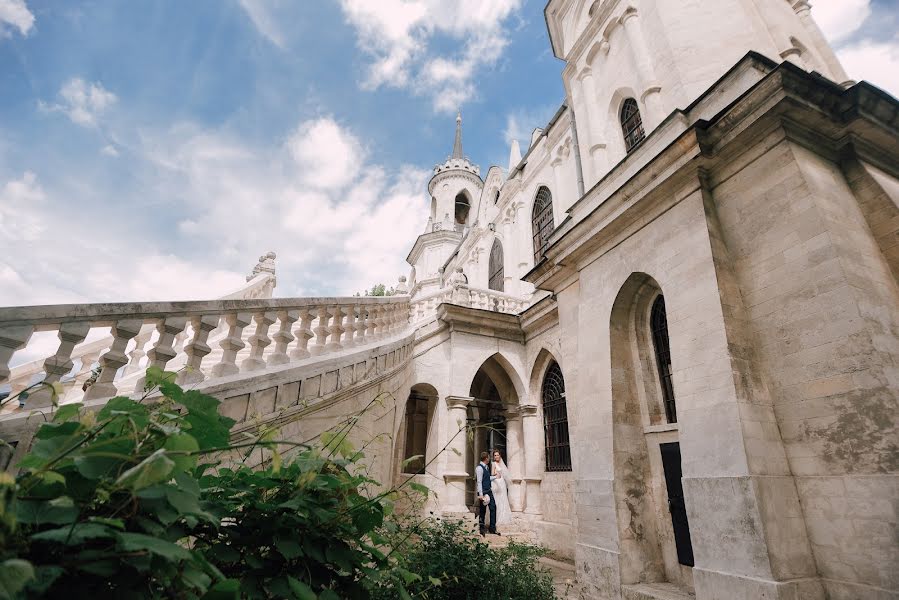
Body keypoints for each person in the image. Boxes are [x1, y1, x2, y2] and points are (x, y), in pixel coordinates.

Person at [475, 451, 500, 536]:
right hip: (483, 492)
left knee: (493, 507)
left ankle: (492, 528)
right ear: (486, 459)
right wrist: (480, 494)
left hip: (489, 490)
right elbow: (479, 481)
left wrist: (495, 477)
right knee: (482, 510)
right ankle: (482, 528)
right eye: (489, 458)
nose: (489, 459)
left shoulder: (486, 467)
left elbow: (487, 478)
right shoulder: (479, 468)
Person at [491, 450, 512, 527]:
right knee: (497, 499)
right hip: (496, 482)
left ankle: (504, 516)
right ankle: (497, 518)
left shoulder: (502, 463)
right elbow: (492, 473)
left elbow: (505, 473)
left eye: (497, 455)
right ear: (494, 457)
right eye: (495, 455)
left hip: (502, 482)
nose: (496, 456)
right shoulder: (493, 464)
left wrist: (502, 474)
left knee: (503, 498)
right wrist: (496, 473)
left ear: (500, 456)